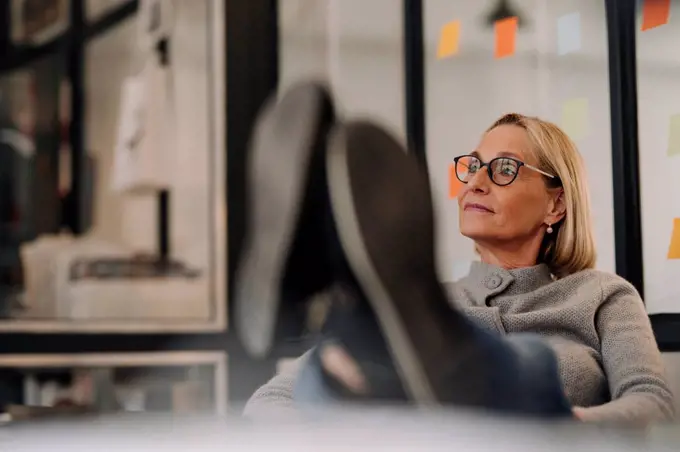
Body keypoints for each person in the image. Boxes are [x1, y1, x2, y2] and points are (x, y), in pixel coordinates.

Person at [240, 104, 674, 426]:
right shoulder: (418, 302)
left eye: (503, 169)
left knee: (528, 362)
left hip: (536, 434)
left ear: (556, 204)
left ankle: (334, 282)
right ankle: (325, 286)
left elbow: (655, 407)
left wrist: (562, 428)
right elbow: (266, 403)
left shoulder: (602, 295)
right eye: (472, 168)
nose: (476, 183)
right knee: (336, 365)